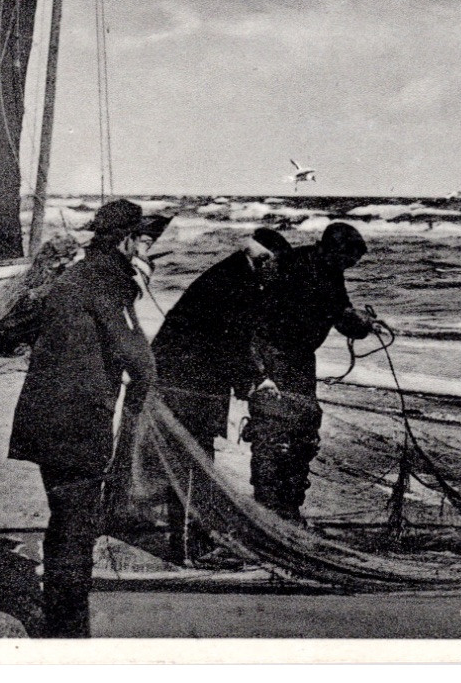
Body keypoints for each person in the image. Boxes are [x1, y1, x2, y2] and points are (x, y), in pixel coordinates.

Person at [6, 199, 159, 638]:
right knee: (76, 524)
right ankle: (68, 631)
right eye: (141, 240)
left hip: (44, 415)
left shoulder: (78, 274)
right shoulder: (107, 280)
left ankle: (61, 613)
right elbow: (136, 356)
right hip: (76, 421)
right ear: (128, 239)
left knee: (66, 517)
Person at [150, 226, 291, 563]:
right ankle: (190, 548)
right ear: (265, 258)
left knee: (194, 460)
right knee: (192, 462)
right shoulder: (236, 283)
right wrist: (258, 381)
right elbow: (233, 342)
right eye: (277, 266)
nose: (278, 274)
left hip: (184, 377)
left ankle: (193, 542)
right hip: (186, 383)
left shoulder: (233, 273)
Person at [245, 221, 378, 523]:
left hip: (297, 358)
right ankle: (271, 511)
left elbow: (341, 315)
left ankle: (284, 508)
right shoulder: (311, 270)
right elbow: (343, 320)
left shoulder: (322, 267)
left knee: (301, 429)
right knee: (275, 433)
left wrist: (360, 321)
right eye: (348, 260)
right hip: (273, 357)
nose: (349, 266)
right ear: (335, 251)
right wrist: (364, 324)